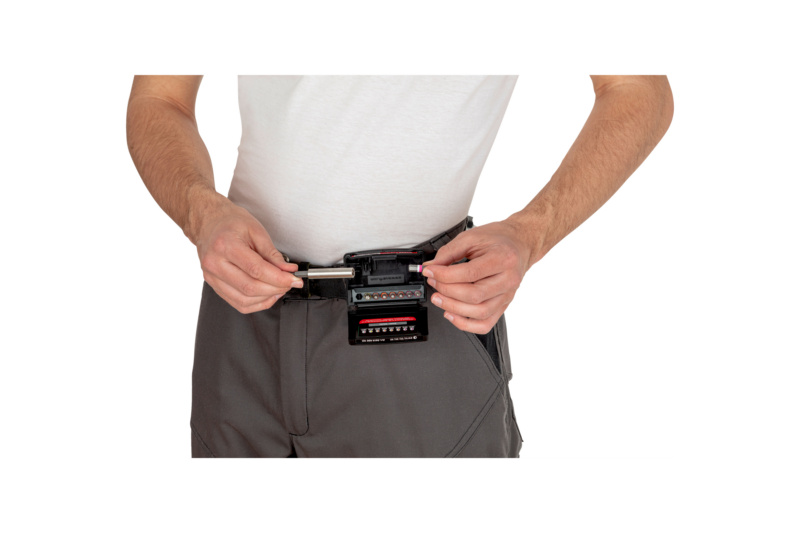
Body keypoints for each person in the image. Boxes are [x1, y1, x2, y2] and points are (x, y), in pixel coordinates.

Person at [126, 75, 673, 458]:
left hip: (420, 315)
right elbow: (160, 97)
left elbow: (638, 88)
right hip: (240, 318)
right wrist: (200, 211)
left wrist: (531, 233)